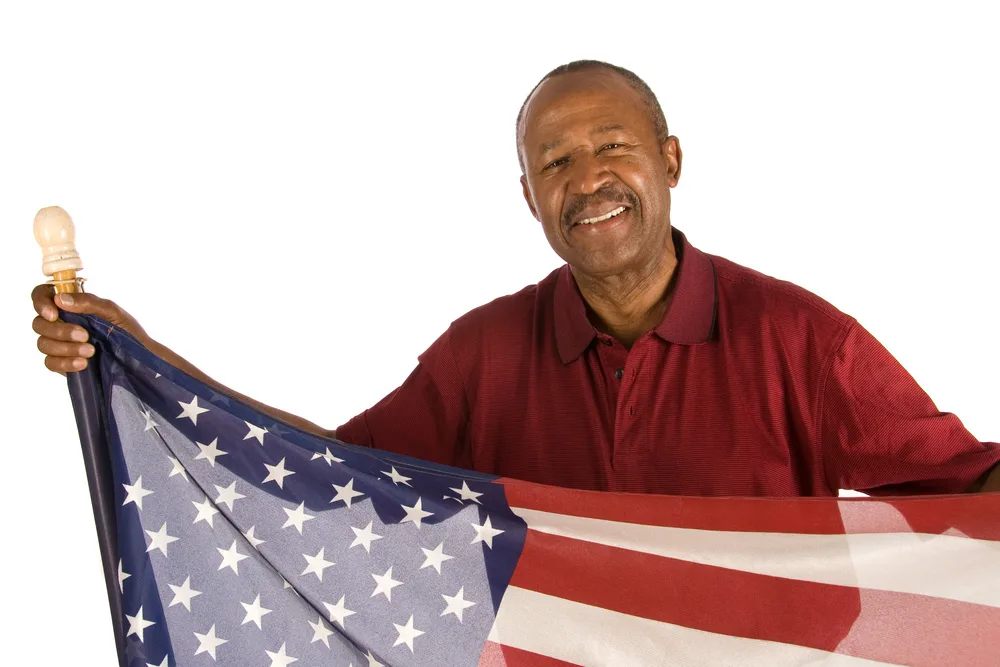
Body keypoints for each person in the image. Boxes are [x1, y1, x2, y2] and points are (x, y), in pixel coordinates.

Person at [32, 60, 1000, 497]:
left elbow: (966, 483)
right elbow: (324, 476)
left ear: (669, 159)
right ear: (529, 198)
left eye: (610, 148)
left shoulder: (800, 339)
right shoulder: (483, 353)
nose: (588, 181)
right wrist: (135, 353)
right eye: (555, 164)